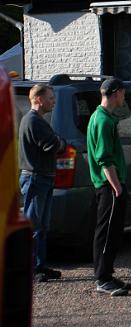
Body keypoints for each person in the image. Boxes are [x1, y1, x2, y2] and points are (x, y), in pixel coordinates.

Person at [87, 77, 131, 296]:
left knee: (113, 231)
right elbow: (103, 157)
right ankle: (102, 278)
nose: (124, 97)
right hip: (108, 185)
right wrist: (116, 186)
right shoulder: (103, 120)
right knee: (106, 232)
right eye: (123, 93)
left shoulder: (103, 117)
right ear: (116, 93)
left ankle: (107, 273)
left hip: (110, 184)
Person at [18, 84, 65, 282]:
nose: (53, 101)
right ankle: (31, 268)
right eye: (50, 98)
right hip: (36, 178)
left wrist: (58, 141)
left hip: (41, 178)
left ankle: (40, 265)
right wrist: (60, 142)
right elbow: (54, 144)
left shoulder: (37, 121)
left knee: (42, 226)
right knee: (35, 226)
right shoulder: (34, 121)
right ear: (38, 99)